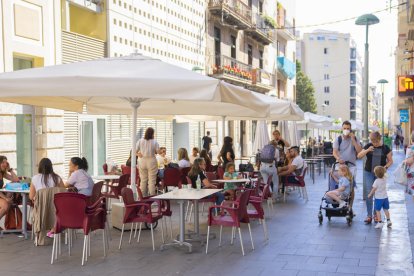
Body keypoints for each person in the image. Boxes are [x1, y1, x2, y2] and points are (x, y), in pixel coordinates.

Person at [357, 131, 393, 224]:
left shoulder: (385, 148)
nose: (374, 143)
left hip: (380, 175)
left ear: (379, 139)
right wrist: (367, 150)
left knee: (379, 194)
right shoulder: (368, 146)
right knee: (369, 193)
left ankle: (376, 215)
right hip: (369, 172)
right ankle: (369, 215)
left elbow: (390, 161)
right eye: (373, 141)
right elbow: (359, 156)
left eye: (376, 141)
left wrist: (385, 168)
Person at [136, 127, 159, 196]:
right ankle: (152, 197)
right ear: (152, 133)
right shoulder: (154, 141)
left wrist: (138, 154)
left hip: (142, 160)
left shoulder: (140, 141)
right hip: (151, 161)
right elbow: (158, 151)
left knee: (143, 180)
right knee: (152, 181)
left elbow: (134, 150)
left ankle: (142, 197)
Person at [0, 156, 19, 224]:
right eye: (2, 162)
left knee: (12, 184)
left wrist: (10, 170)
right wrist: (6, 198)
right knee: (6, 205)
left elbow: (16, 180)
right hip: (1, 195)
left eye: (6, 162)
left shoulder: (3, 173)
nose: (5, 164)